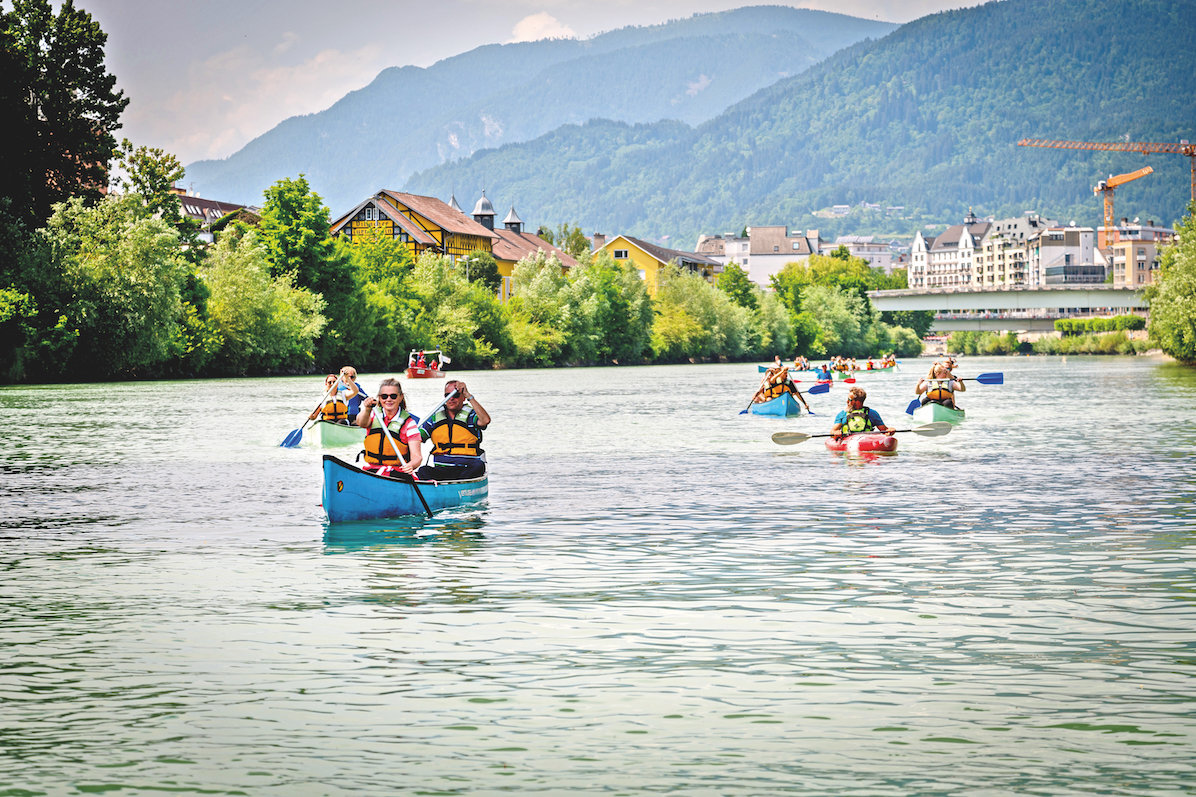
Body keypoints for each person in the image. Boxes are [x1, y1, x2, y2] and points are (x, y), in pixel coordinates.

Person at [417, 380, 491, 481]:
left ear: (463, 397)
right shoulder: (435, 417)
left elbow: (485, 420)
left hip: (467, 468)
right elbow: (416, 438)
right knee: (423, 470)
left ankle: (458, 486)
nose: (451, 399)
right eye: (447, 395)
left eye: (455, 395)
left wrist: (469, 395)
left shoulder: (471, 415)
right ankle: (435, 488)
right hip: (442, 469)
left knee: (478, 466)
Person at [356, 377, 422, 476]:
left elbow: (417, 457)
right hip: (371, 470)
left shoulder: (409, 424)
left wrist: (410, 465)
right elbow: (361, 423)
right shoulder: (373, 414)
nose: (388, 399)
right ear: (379, 398)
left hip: (397, 472)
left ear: (401, 397)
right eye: (384, 396)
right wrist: (367, 409)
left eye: (393, 396)